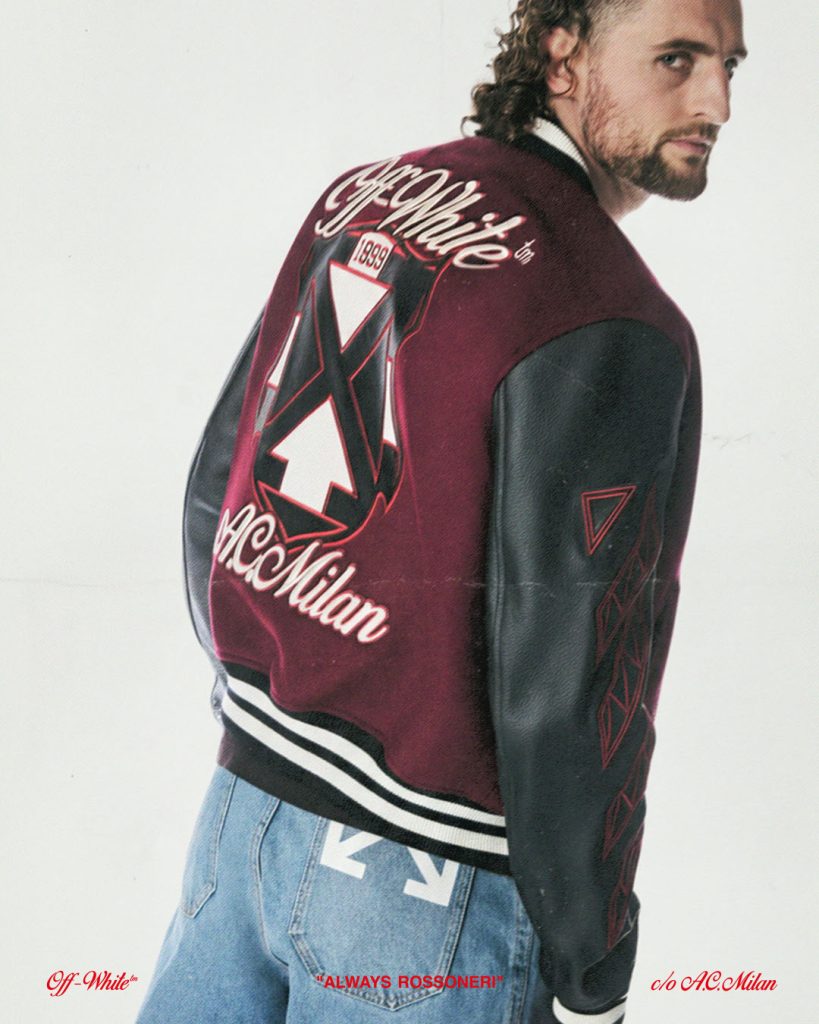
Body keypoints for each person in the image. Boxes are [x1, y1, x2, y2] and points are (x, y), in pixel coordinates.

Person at [137, 1, 746, 1021]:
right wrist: (593, 973)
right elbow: (573, 688)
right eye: (676, 59)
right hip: (426, 891)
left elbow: (217, 485)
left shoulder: (362, 196)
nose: (717, 101)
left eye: (731, 65)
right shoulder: (611, 315)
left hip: (239, 818)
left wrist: (264, 707)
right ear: (561, 53)